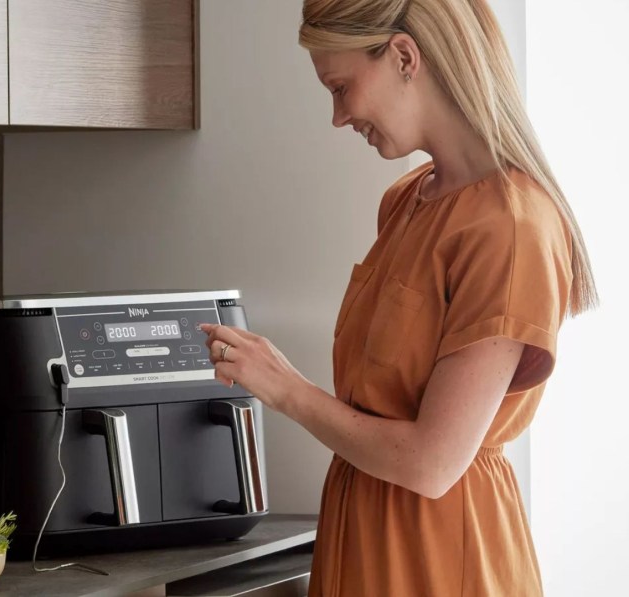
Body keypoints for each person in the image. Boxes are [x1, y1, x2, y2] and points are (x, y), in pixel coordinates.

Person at [200, 1, 597, 595]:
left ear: (405, 57)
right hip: (361, 531)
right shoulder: (407, 199)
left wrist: (285, 388)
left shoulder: (511, 226)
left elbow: (432, 465)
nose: (338, 116)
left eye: (341, 87)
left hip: (440, 557)